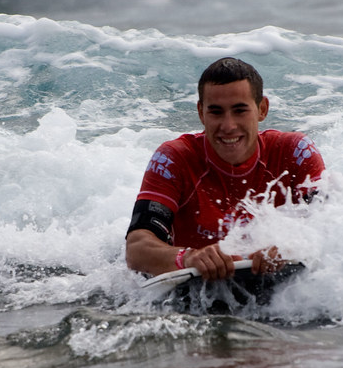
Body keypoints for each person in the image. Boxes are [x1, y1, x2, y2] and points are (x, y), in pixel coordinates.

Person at [125, 57, 325, 281]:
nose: (228, 126)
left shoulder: (295, 152)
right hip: (195, 291)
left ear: (262, 109)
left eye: (240, 111)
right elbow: (136, 249)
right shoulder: (174, 158)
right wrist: (188, 258)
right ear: (201, 112)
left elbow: (333, 226)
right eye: (216, 112)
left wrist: (292, 245)